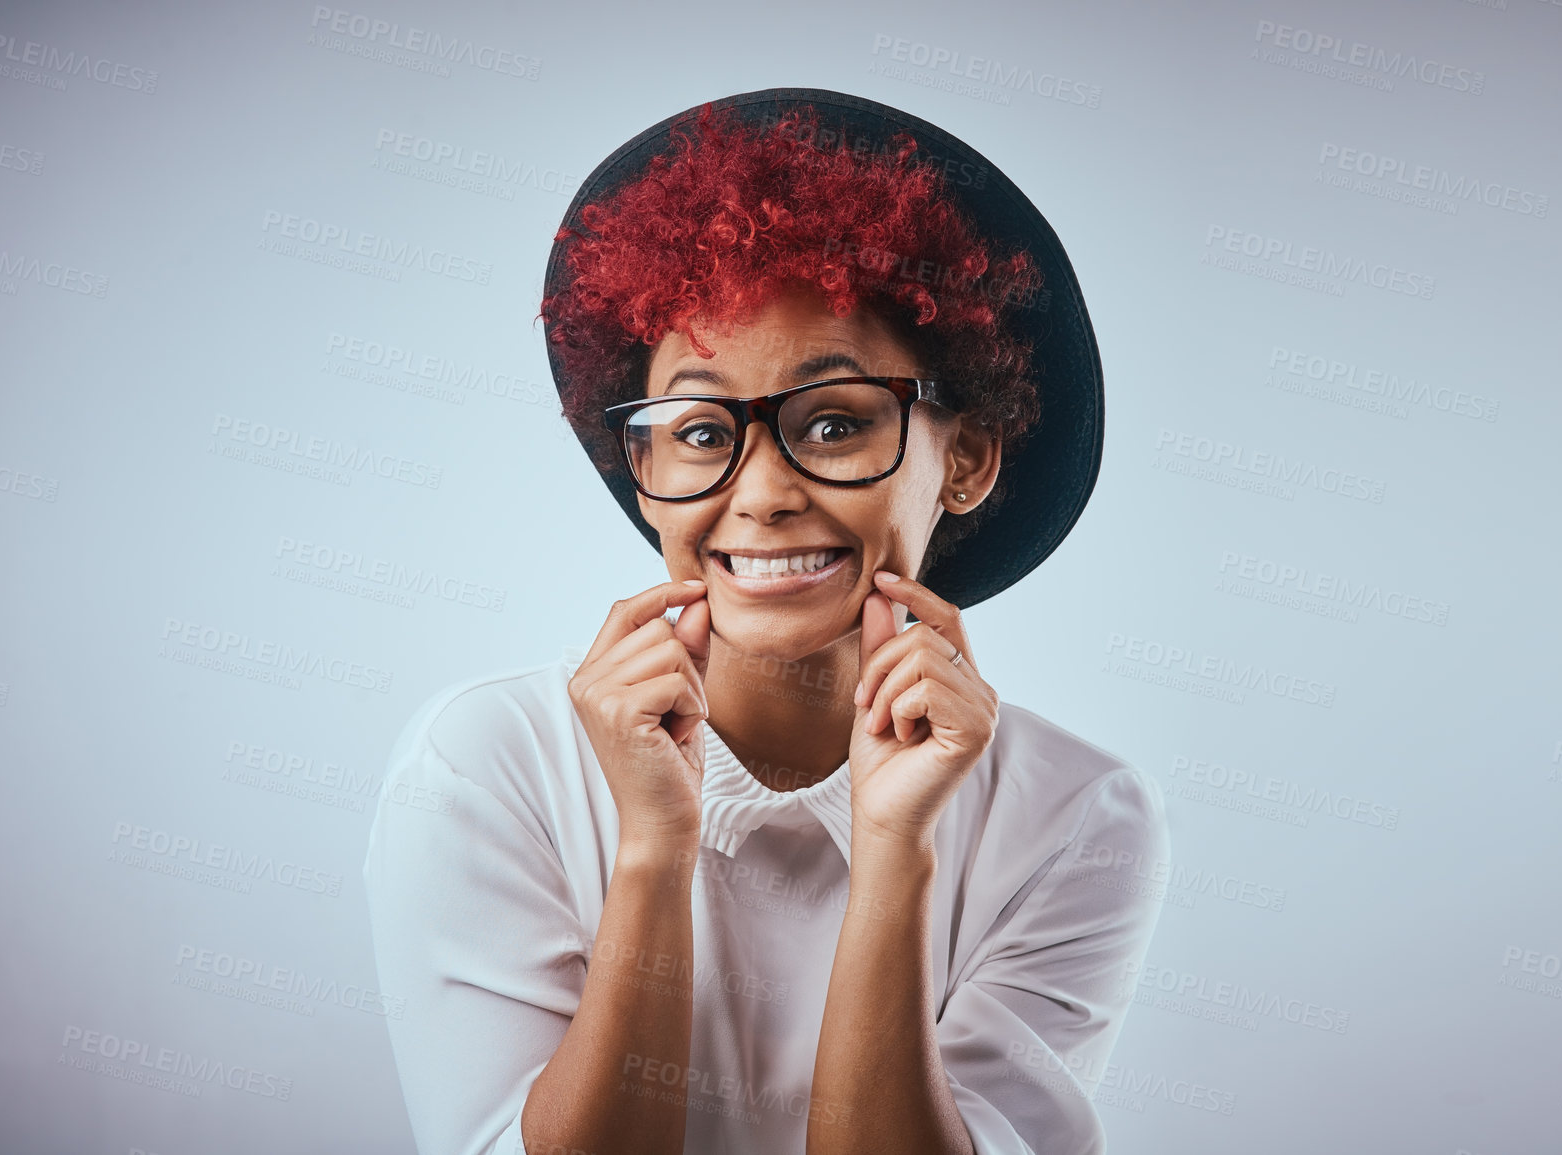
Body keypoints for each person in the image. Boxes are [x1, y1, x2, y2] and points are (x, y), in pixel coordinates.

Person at [364, 89, 1169, 1155]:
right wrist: (653, 850)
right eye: (699, 430)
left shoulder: (1076, 816)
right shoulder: (486, 763)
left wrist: (894, 853)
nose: (760, 493)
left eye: (832, 422)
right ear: (643, 471)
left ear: (965, 460)